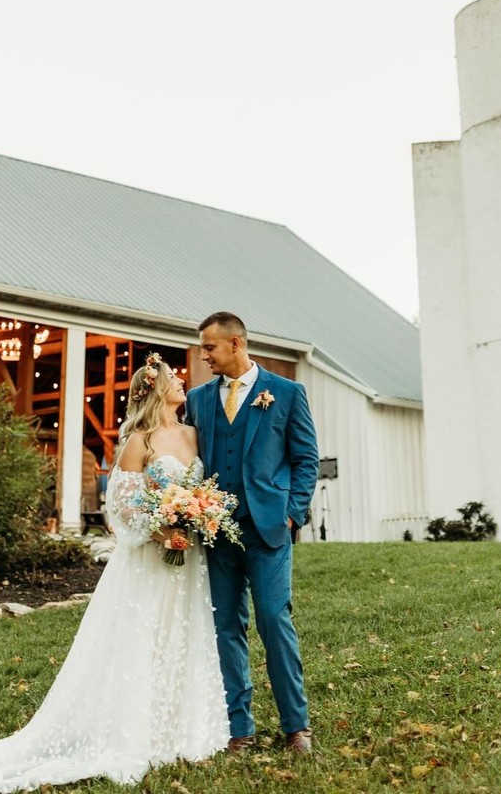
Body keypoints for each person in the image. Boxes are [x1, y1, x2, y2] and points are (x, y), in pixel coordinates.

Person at [0, 353, 229, 792]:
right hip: (149, 557)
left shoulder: (195, 434)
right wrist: (159, 531)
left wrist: (198, 516)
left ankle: (179, 727)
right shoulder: (138, 441)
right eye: (173, 379)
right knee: (144, 636)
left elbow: (202, 490)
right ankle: (135, 728)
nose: (182, 383)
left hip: (188, 559)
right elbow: (120, 508)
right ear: (155, 390)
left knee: (181, 634)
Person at [186, 311, 320, 754]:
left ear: (236, 344)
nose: (203, 355)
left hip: (267, 530)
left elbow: (305, 459)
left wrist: (291, 514)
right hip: (215, 532)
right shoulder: (198, 399)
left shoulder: (286, 393)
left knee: (273, 620)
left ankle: (295, 726)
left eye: (210, 347)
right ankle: (238, 728)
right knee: (226, 627)